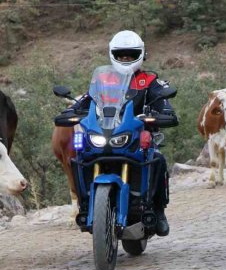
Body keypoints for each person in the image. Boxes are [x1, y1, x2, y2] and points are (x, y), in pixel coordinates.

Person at [64, 30, 178, 236]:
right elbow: (89, 99)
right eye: (121, 55)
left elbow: (164, 104)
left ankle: (159, 211)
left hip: (136, 137)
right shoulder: (103, 79)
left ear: (141, 55)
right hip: (105, 132)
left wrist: (164, 113)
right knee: (78, 154)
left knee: (158, 159)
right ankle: (84, 204)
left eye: (131, 55)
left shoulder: (149, 80)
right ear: (112, 55)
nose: (126, 59)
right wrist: (71, 111)